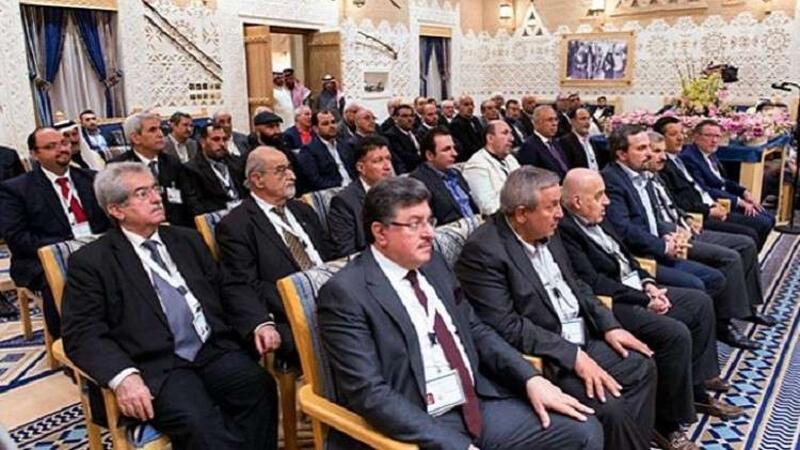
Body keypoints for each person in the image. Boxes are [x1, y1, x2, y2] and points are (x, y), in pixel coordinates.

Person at [318, 176, 604, 450]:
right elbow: (369, 392)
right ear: (380, 232)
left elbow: (475, 330)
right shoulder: (346, 293)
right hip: (421, 420)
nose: (429, 233)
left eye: (429, 221)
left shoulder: (432, 264)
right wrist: (456, 446)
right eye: (414, 224)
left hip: (475, 402)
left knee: (583, 431)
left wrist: (531, 378)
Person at [61, 162, 279, 450]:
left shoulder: (186, 239)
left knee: (259, 387)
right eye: (142, 193)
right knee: (201, 424)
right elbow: (82, 332)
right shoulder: (92, 262)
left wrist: (258, 321)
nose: (156, 198)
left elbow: (228, 286)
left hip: (211, 347)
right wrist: (123, 377)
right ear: (116, 209)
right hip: (156, 365)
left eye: (155, 189)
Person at [455, 167, 658, 450]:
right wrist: (572, 355)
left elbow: (577, 284)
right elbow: (506, 326)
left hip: (580, 334)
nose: (561, 214)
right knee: (609, 406)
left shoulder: (548, 228)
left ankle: (632, 441)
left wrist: (609, 325)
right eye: (551, 206)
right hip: (547, 355)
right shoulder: (484, 251)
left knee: (642, 365)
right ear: (522, 213)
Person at [559, 168, 743, 449]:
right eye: (599, 196)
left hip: (635, 288)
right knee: (675, 333)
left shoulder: (598, 217)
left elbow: (626, 258)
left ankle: (696, 390)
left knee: (700, 302)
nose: (607, 201)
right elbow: (595, 282)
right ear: (577, 202)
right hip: (613, 301)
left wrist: (648, 284)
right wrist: (644, 299)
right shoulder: (566, 231)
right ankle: (667, 425)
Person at [601, 125, 761, 350]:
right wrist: (663, 245)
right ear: (621, 154)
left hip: (664, 242)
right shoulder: (611, 180)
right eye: (642, 148)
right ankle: (698, 332)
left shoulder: (642, 175)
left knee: (717, 274)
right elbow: (624, 230)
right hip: (642, 257)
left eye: (649, 148)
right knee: (700, 284)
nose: (649, 154)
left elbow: (653, 216)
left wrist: (670, 233)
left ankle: (718, 326)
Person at [216, 147, 332, 365]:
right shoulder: (236, 225)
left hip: (336, 297)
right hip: (292, 313)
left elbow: (330, 256)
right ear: (257, 179)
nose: (292, 175)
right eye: (281, 170)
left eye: (289, 168)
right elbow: (242, 284)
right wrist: (300, 299)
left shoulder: (303, 210)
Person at [0, 127, 110, 340]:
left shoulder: (92, 179)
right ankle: (70, 342)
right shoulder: (16, 189)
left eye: (64, 143)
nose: (61, 149)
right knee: (59, 277)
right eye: (51, 146)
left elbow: (111, 221)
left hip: (96, 248)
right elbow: (18, 238)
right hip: (44, 257)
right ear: (35, 154)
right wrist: (68, 247)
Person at [653, 116, 764, 247]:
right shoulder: (666, 165)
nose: (680, 138)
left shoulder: (678, 159)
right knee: (750, 235)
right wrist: (709, 210)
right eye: (673, 134)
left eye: (682, 133)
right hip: (697, 215)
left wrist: (739, 194)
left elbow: (708, 185)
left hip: (708, 206)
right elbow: (680, 201)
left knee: (761, 223)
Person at [679, 120, 775, 248]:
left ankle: (752, 255)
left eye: (717, 136)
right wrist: (739, 201)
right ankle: (748, 255)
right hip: (716, 203)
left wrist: (744, 192)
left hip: (726, 197)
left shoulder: (709, 154)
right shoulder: (689, 157)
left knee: (770, 218)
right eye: (709, 136)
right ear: (696, 137)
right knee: (762, 223)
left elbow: (722, 181)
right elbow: (705, 189)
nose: (714, 140)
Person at [110, 113, 194, 227]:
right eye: (152, 130)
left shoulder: (172, 162)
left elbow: (188, 199)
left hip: (176, 227)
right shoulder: (119, 167)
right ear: (135, 138)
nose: (160, 134)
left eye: (160, 129)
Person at [328, 134, 394, 258]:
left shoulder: (400, 191)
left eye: (388, 158)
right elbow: (347, 252)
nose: (387, 166)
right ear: (360, 167)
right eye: (378, 161)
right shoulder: (344, 202)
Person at [410, 127, 478, 225]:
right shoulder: (418, 182)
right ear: (430, 155)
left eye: (454, 148)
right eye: (447, 149)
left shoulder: (456, 173)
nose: (455, 153)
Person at [183, 124, 245, 216]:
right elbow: (196, 206)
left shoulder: (236, 162)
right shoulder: (191, 169)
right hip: (217, 217)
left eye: (224, 139)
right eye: (216, 139)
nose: (222, 144)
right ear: (203, 142)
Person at [461, 120, 520, 215]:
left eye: (511, 133)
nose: (512, 138)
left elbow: (525, 186)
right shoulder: (476, 165)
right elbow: (488, 208)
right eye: (505, 133)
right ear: (490, 138)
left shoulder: (510, 159)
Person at [296, 109, 355, 191]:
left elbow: (354, 170)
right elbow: (315, 181)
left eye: (333, 122)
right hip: (332, 191)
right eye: (325, 124)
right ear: (315, 129)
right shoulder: (308, 151)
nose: (331, 126)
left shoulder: (344, 145)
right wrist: (341, 185)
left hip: (354, 187)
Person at [518, 105, 570, 179]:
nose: (554, 123)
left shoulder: (556, 143)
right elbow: (530, 178)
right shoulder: (529, 147)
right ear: (536, 123)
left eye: (556, 119)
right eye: (550, 120)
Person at [384, 103, 422, 174]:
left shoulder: (415, 132)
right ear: (395, 118)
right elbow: (405, 157)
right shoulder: (391, 136)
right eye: (405, 116)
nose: (409, 119)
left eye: (411, 116)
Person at [448, 95, 484, 162]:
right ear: (458, 107)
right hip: (468, 159)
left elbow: (482, 137)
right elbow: (466, 146)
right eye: (466, 105)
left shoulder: (475, 119)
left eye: (472, 104)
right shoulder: (456, 124)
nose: (470, 107)